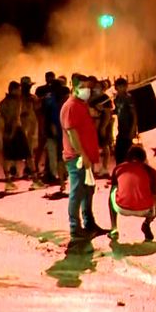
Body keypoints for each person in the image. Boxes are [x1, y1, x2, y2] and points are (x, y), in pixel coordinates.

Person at [60, 74, 107, 238]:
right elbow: (72, 133)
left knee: (88, 191)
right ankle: (75, 228)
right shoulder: (71, 106)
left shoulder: (81, 104)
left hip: (85, 158)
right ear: (75, 87)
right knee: (77, 192)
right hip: (77, 159)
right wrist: (83, 155)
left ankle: (89, 224)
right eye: (85, 87)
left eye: (89, 87)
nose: (88, 90)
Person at [107, 146, 156, 242]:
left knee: (112, 191)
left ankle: (114, 228)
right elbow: (155, 196)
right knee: (155, 198)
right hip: (146, 210)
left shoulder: (119, 168)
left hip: (121, 208)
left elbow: (115, 187)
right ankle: (147, 223)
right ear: (144, 158)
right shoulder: (151, 171)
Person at [0, 81, 31, 191]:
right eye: (19, 89)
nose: (20, 91)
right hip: (17, 130)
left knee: (7, 156)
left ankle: (8, 181)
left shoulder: (2, 103)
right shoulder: (17, 102)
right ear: (14, 90)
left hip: (6, 130)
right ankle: (35, 180)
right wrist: (13, 133)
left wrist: (4, 132)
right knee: (28, 155)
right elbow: (16, 118)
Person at [113, 78, 137, 165]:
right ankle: (119, 169)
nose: (122, 88)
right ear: (116, 87)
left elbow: (134, 114)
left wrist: (133, 129)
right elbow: (117, 110)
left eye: (124, 86)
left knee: (126, 151)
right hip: (121, 128)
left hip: (128, 128)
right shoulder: (116, 98)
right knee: (118, 152)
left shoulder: (128, 98)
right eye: (120, 86)